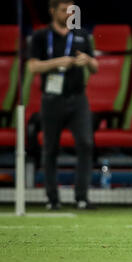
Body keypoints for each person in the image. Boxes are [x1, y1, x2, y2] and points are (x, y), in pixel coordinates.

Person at [28, 0, 99, 210]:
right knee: (50, 148)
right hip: (52, 99)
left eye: (70, 9)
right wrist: (58, 62)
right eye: (63, 10)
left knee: (86, 144)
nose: (68, 13)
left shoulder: (81, 35)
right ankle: (52, 198)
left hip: (78, 98)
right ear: (52, 11)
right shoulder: (41, 36)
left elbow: (95, 66)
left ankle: (82, 197)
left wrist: (87, 60)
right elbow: (32, 67)